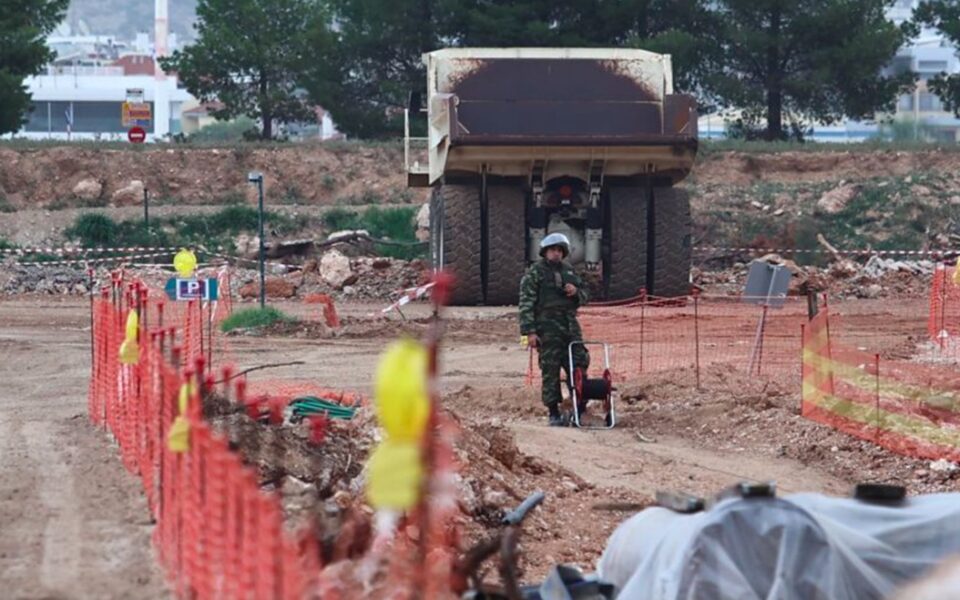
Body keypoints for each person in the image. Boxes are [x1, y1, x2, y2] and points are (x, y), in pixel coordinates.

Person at [519, 233, 590, 426]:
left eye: (559, 250)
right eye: (552, 250)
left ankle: (580, 407)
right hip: (546, 328)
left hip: (570, 326)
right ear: (545, 252)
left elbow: (585, 293)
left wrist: (576, 293)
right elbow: (526, 303)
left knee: (579, 365)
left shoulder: (570, 271)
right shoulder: (535, 273)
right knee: (550, 370)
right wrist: (530, 332)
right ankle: (553, 412)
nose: (556, 254)